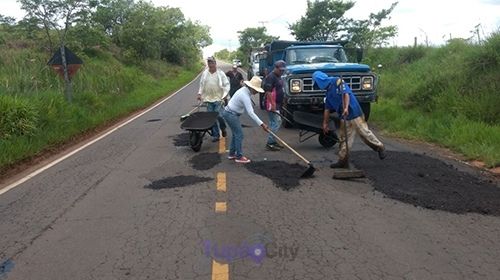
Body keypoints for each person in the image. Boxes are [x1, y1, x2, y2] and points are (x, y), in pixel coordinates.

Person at [312, 70, 386, 168]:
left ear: (320, 81)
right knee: (344, 139)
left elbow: (346, 94)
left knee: (364, 133)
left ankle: (380, 147)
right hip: (344, 116)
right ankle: (343, 161)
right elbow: (327, 109)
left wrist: (346, 107)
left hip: (353, 112)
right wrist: (325, 124)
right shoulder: (328, 94)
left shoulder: (337, 81)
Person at [222, 76, 269, 164]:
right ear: (251, 88)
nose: (256, 92)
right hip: (231, 114)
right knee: (239, 134)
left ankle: (232, 154)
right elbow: (251, 113)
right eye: (256, 90)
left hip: (229, 113)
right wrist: (262, 124)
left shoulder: (244, 91)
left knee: (236, 134)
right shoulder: (244, 95)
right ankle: (239, 156)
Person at [198, 56, 229, 142]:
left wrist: (225, 94)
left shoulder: (220, 74)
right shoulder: (205, 74)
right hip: (208, 98)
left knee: (219, 116)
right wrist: (199, 93)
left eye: (212, 63)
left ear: (215, 64)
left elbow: (226, 85)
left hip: (218, 98)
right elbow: (201, 84)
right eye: (209, 63)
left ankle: (223, 128)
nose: (210, 64)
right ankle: (216, 135)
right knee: (211, 118)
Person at [262, 60, 286, 151]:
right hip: (271, 103)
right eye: (280, 70)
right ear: (275, 68)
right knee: (276, 122)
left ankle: (273, 141)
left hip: (277, 103)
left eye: (283, 70)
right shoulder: (271, 77)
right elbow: (268, 92)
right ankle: (270, 142)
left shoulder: (278, 76)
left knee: (275, 122)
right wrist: (273, 104)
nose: (281, 72)